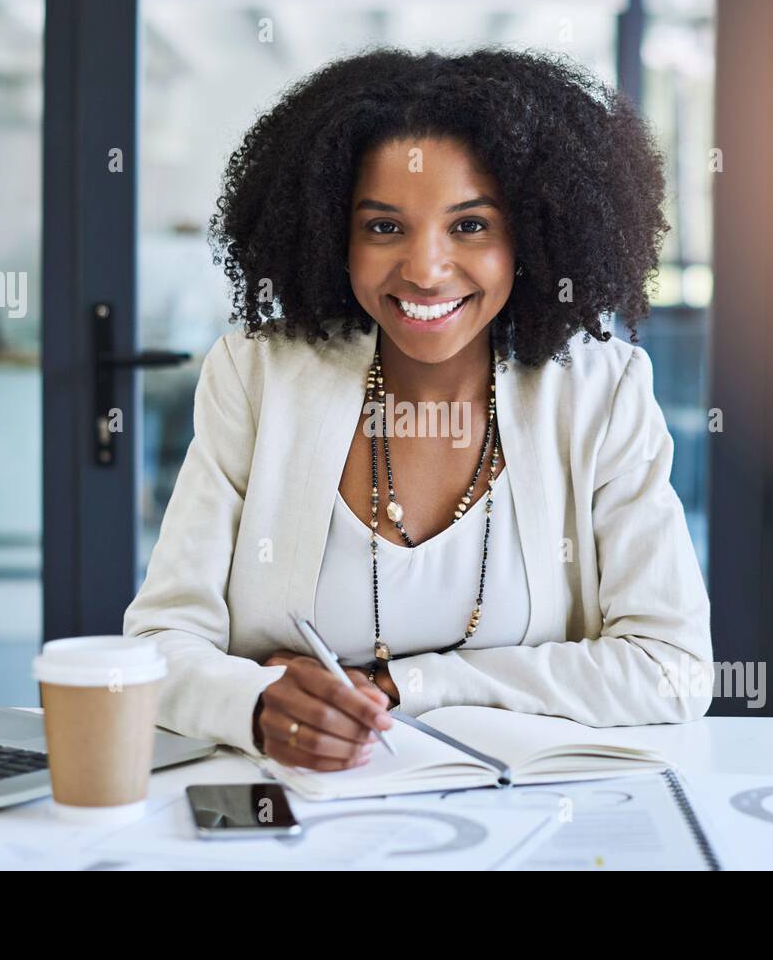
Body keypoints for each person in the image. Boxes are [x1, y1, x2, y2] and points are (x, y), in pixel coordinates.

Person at [124, 46, 713, 772]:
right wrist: (254, 703)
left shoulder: (600, 393)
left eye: (470, 226)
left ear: (529, 235)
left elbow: (673, 667)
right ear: (332, 235)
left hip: (534, 815)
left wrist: (400, 684)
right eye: (383, 227)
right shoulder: (258, 378)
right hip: (294, 809)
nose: (426, 268)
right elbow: (158, 643)